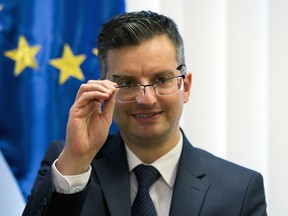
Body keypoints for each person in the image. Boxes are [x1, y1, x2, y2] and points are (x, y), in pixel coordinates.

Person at [23, 11, 267, 216]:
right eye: (127, 83)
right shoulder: (71, 165)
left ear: (186, 87)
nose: (146, 99)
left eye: (161, 79)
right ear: (104, 91)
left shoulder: (240, 190)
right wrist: (76, 160)